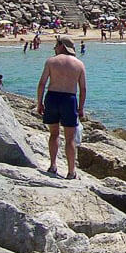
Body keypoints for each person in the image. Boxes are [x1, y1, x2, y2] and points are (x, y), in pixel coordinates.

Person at [36, 36, 87, 179]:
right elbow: (83, 89)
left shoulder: (51, 61)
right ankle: (71, 172)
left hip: (52, 97)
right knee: (70, 138)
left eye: (56, 45)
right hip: (69, 99)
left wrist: (39, 102)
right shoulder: (79, 64)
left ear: (61, 45)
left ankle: (53, 166)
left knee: (54, 134)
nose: (54, 48)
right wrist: (81, 108)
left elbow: (42, 83)